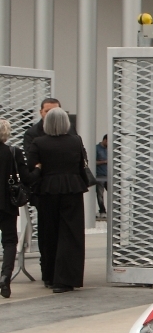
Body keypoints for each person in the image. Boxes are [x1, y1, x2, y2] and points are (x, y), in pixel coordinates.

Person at [28, 108, 89, 293]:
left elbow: (33, 167)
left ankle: (49, 275)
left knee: (49, 233)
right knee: (71, 234)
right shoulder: (75, 141)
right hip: (72, 187)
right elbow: (81, 164)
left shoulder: (38, 142)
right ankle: (66, 279)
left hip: (47, 189)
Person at [24, 98, 67, 286]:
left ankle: (62, 271)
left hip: (65, 189)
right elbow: (32, 163)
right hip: (44, 190)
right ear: (41, 112)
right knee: (47, 232)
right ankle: (47, 271)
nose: (51, 115)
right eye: (47, 111)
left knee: (64, 232)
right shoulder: (33, 134)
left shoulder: (68, 132)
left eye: (55, 111)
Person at [0, 120, 30, 298]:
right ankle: (5, 277)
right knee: (10, 241)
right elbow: (25, 177)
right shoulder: (13, 152)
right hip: (7, 204)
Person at [95, 134, 108, 216]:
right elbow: (93, 161)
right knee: (100, 194)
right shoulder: (96, 149)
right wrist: (104, 162)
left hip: (108, 175)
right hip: (100, 175)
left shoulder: (109, 149)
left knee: (112, 192)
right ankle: (102, 211)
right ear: (105, 140)